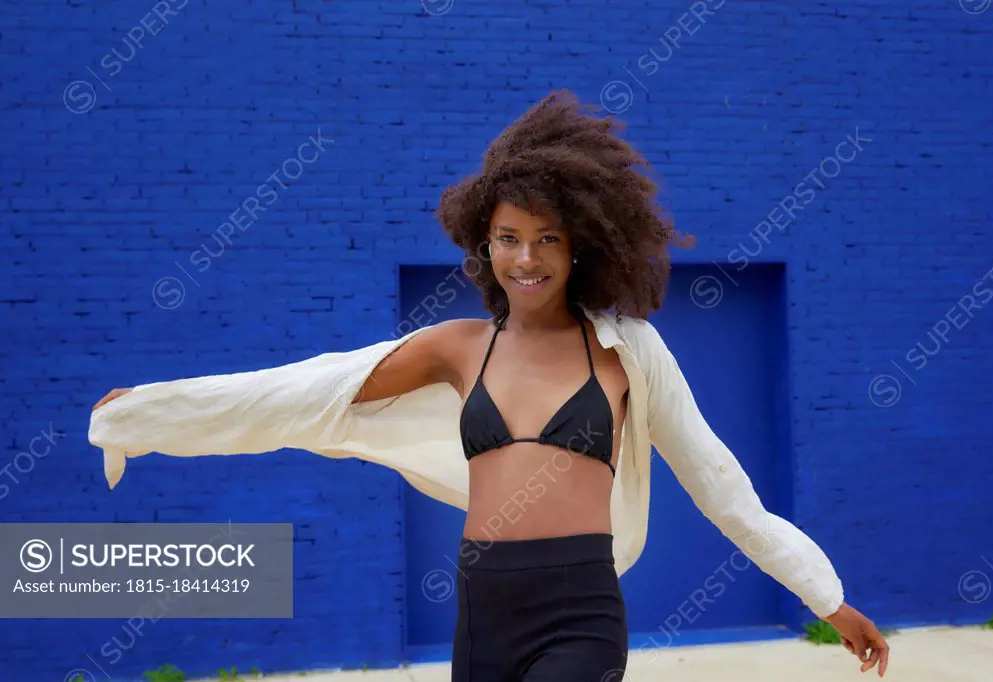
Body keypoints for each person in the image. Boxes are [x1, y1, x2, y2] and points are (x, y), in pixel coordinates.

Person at [91, 90, 889, 681]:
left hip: (582, 605)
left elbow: (722, 486)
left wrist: (828, 598)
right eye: (508, 238)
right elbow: (300, 394)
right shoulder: (455, 349)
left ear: (583, 247)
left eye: (548, 238)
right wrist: (149, 412)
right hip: (482, 607)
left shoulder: (628, 352)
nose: (526, 257)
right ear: (483, 243)